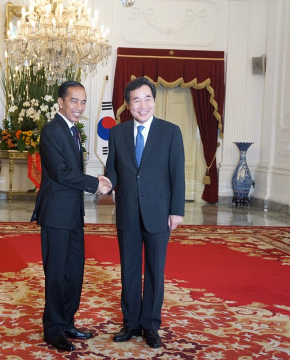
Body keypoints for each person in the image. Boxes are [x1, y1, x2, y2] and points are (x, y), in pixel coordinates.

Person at [104, 77, 185, 348]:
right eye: (136, 100)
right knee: (129, 270)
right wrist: (106, 184)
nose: (143, 105)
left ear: (154, 101)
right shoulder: (117, 133)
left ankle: (150, 325)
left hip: (159, 213)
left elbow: (177, 174)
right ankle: (131, 323)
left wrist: (176, 211)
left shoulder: (170, 132)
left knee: (154, 271)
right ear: (128, 105)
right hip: (127, 211)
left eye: (147, 98)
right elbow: (112, 169)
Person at [31, 81, 112, 352]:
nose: (79, 107)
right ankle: (53, 330)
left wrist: (91, 183)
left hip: (74, 215)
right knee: (56, 274)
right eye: (74, 101)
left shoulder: (73, 130)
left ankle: (67, 322)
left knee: (74, 272)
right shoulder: (52, 131)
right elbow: (62, 173)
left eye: (83, 102)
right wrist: (96, 183)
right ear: (61, 103)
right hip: (56, 215)